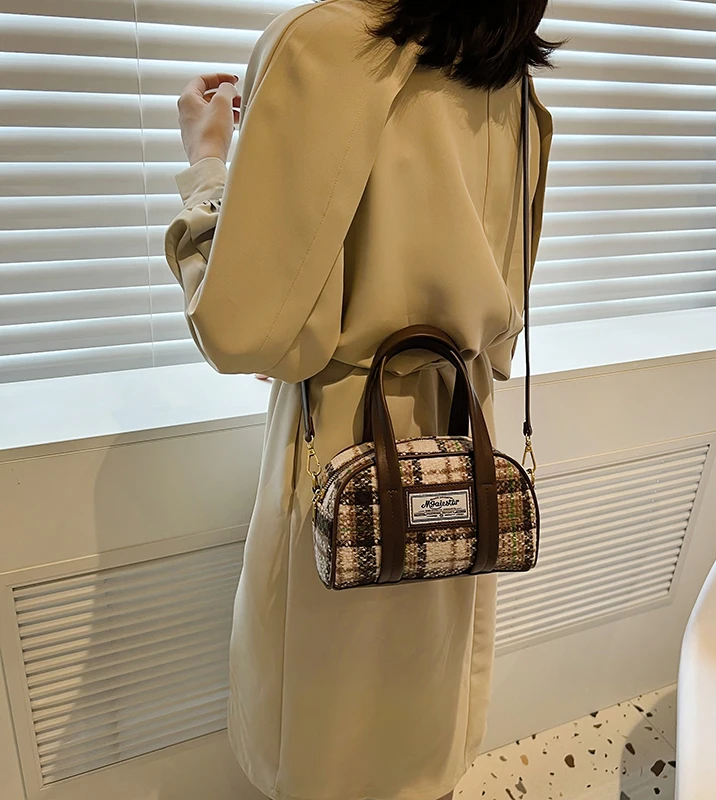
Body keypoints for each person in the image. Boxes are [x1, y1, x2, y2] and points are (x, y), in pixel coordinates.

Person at [164, 1, 554, 798]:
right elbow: (501, 330)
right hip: (458, 434)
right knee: (422, 711)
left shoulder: (325, 43)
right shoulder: (504, 69)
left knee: (324, 729)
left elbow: (239, 331)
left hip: (344, 439)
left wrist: (207, 162)